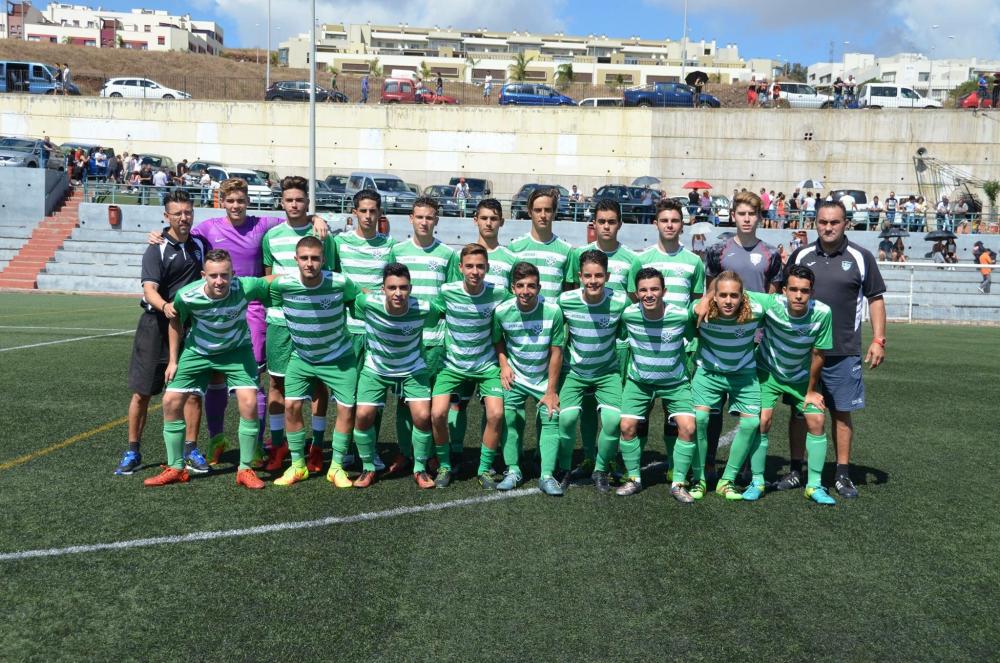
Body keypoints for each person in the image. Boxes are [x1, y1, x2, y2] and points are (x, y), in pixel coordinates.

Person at [781, 200, 886, 498]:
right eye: (823, 222)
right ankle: (795, 471)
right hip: (803, 352)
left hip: (844, 351)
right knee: (800, 413)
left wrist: (879, 339)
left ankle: (842, 474)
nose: (828, 227)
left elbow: (875, 299)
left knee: (841, 413)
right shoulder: (801, 254)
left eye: (835, 222)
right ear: (815, 223)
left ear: (846, 223)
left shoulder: (861, 257)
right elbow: (782, 294)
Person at [143, 249, 271, 489]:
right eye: (213, 276)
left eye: (225, 275)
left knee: (250, 402)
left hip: (237, 351)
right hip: (198, 351)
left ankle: (245, 469)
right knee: (171, 400)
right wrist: (173, 360)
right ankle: (176, 467)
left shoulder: (246, 286)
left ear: (233, 274)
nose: (219, 281)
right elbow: (175, 320)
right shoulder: (188, 295)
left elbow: (271, 281)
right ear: (204, 275)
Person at [116, 190, 208, 477]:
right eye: (177, 213)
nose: (184, 217)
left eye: (188, 212)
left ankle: (191, 448)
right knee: (143, 393)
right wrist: (166, 307)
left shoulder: (200, 245)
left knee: (193, 392)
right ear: (166, 216)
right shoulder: (155, 248)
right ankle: (133, 451)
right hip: (155, 327)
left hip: (189, 328)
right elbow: (149, 290)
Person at [701, 190, 782, 483]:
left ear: (760, 217)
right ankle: (709, 463)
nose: (747, 219)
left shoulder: (771, 253)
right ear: (733, 216)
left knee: (752, 407)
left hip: (755, 340)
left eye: (752, 214)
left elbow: (773, 298)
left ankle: (747, 467)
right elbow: (709, 292)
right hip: (719, 339)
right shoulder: (717, 251)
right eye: (742, 214)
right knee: (713, 406)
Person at [268, 236, 360, 487]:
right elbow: (260, 286)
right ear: (296, 260)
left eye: (315, 258)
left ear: (324, 260)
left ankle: (337, 467)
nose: (310, 263)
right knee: (291, 405)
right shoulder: (283, 285)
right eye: (305, 258)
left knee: (346, 409)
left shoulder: (340, 282)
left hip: (339, 358)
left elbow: (358, 299)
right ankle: (298, 466)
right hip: (303, 357)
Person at [260, 177, 337, 473]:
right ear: (282, 202)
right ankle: (279, 446)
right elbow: (268, 279)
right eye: (289, 200)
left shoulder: (322, 235)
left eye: (300, 200)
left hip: (317, 322)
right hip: (281, 323)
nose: (294, 204)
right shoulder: (271, 236)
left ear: (307, 203)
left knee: (318, 383)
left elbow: (330, 274)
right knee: (277, 382)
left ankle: (317, 447)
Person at [565, 199, 641, 471]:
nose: (606, 226)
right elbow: (576, 294)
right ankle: (587, 453)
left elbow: (633, 302)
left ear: (619, 223)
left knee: (612, 408)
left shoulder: (633, 259)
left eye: (611, 221)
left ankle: (610, 458)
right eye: (601, 221)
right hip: (583, 344)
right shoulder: (580, 254)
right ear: (593, 224)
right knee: (584, 402)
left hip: (616, 345)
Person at [349, 263, 440, 488]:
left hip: (412, 368)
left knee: (421, 416)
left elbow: (436, 318)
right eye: (392, 288)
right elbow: (354, 299)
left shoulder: (425, 309)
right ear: (383, 289)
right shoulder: (367, 303)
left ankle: (420, 468)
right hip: (376, 368)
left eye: (403, 287)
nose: (398, 293)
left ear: (410, 288)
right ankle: (368, 467)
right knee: (363, 415)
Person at [429, 244, 512, 488]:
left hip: (487, 366)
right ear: (460, 268)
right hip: (452, 365)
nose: (475, 271)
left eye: (480, 266)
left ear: (487, 267)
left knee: (496, 414)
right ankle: (444, 465)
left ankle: (484, 469)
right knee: (437, 414)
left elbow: (517, 310)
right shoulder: (447, 291)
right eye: (469, 266)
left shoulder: (499, 293)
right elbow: (430, 313)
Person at [387, 197, 459, 474]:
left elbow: (450, 295)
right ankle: (406, 452)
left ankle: (429, 454)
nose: (424, 222)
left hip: (436, 339)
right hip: (404, 340)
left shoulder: (447, 254)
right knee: (405, 400)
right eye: (420, 217)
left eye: (429, 217)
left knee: (431, 401)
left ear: (436, 221)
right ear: (411, 218)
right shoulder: (398, 251)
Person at [755, 264, 836, 504]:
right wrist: (707, 300)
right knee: (762, 420)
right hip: (768, 373)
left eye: (804, 290)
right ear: (783, 290)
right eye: (793, 289)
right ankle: (757, 481)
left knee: (817, 419)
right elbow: (735, 290)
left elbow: (819, 355)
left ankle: (814, 485)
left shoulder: (822, 312)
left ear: (812, 292)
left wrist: (811, 391)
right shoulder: (770, 303)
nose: (798, 295)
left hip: (801, 378)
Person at [689, 270, 772, 501]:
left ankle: (727, 481)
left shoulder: (756, 308)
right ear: (714, 295)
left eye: (734, 295)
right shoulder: (701, 309)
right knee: (700, 419)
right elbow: (684, 316)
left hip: (743, 375)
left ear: (742, 295)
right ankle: (699, 479)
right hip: (708, 373)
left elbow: (781, 303)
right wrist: (703, 300)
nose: (728, 301)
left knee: (751, 423)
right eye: (722, 294)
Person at [617, 267, 697, 500]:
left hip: (675, 383)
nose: (649, 294)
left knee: (688, 427)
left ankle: (679, 483)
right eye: (643, 290)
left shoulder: (680, 316)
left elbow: (694, 334)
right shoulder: (628, 315)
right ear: (637, 292)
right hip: (639, 382)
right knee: (626, 426)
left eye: (654, 289)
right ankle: (634, 479)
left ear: (664, 291)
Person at [333, 189, 398, 470]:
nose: (369, 216)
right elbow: (334, 279)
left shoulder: (389, 245)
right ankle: (346, 448)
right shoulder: (339, 243)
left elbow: (392, 284)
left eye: (374, 211)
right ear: (354, 213)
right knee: (347, 393)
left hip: (378, 332)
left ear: (379, 213)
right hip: (347, 330)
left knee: (375, 395)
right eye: (364, 211)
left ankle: (369, 451)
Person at [557, 250, 629, 494]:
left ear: (607, 276)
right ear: (579, 276)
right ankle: (565, 468)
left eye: (598, 275)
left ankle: (600, 469)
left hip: (607, 372)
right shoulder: (566, 300)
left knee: (612, 421)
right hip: (574, 372)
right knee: (566, 420)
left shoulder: (620, 302)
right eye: (587, 275)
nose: (593, 280)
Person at [493, 261, 565, 494]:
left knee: (551, 416)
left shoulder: (553, 311)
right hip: (516, 375)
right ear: (513, 288)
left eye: (531, 286)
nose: (526, 291)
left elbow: (556, 352)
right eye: (521, 286)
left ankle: (546, 475)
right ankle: (513, 470)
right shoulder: (502, 311)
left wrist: (551, 390)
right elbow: (497, 339)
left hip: (544, 378)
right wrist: (504, 365)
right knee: (510, 418)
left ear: (540, 287)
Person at [508, 187, 573, 302]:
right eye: (538, 210)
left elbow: (568, 292)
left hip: (551, 318)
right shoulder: (515, 247)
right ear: (529, 212)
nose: (543, 215)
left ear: (554, 213)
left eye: (547, 210)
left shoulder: (566, 250)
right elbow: (510, 288)